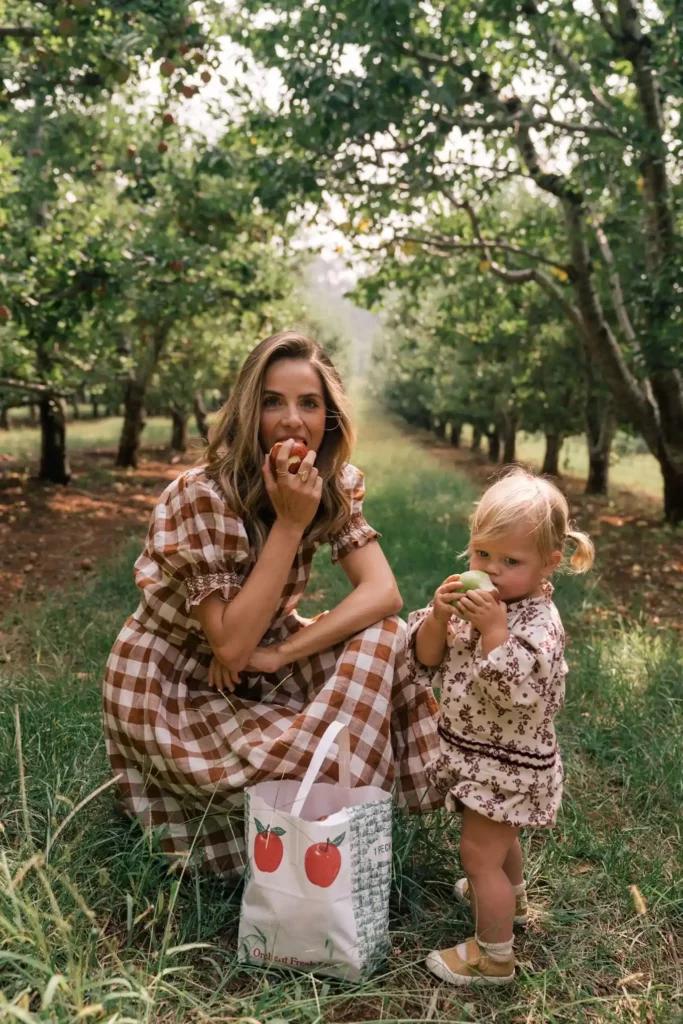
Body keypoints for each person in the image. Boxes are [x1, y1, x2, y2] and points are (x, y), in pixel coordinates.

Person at [103, 330, 440, 879]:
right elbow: (229, 645)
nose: (292, 419)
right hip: (176, 683)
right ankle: (308, 813)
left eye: (309, 403)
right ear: (247, 412)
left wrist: (281, 656)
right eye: (272, 402)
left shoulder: (328, 483)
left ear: (329, 416)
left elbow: (384, 593)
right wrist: (289, 522)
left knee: (387, 636)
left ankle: (321, 806)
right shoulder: (202, 494)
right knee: (296, 725)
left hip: (257, 660)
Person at [407, 469, 594, 986]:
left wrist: (494, 631)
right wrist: (438, 621)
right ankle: (511, 897)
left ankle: (493, 957)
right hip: (478, 755)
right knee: (499, 840)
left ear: (549, 563)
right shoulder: (478, 604)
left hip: (505, 766)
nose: (491, 570)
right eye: (482, 556)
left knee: (477, 855)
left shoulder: (537, 624)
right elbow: (424, 661)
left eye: (511, 562)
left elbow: (518, 691)